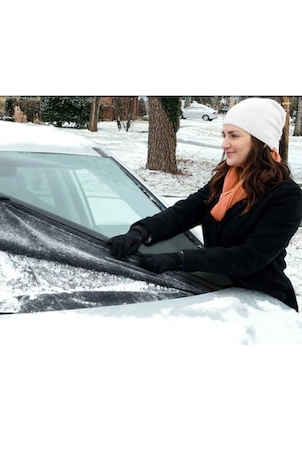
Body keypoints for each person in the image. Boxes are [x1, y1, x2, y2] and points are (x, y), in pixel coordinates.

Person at [108, 97, 302, 311]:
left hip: (263, 304)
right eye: (224, 135)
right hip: (216, 293)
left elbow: (250, 257)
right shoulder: (225, 180)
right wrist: (141, 231)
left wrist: (180, 259)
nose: (225, 144)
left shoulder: (286, 196)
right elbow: (184, 212)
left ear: (261, 142)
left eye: (234, 135)